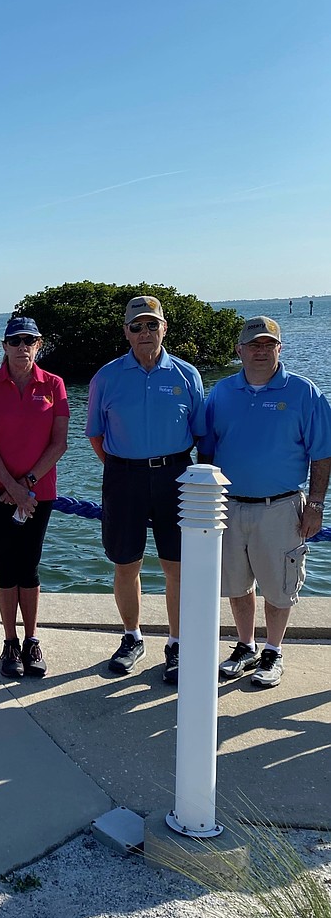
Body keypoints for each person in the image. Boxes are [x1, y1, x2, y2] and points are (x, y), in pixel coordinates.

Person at [198, 316, 331, 688]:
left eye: (268, 344)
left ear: (279, 349)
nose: (260, 351)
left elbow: (322, 453)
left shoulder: (304, 392)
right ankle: (245, 646)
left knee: (279, 587)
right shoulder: (221, 392)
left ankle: (273, 651)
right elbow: (206, 451)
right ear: (239, 350)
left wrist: (317, 504)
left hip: (282, 506)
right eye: (253, 344)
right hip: (229, 507)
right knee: (237, 586)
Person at [86, 295, 205, 684]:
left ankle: (176, 643)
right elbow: (96, 435)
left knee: (177, 565)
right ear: (126, 331)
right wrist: (125, 468)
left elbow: (202, 435)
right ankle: (132, 637)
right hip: (124, 476)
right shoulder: (106, 377)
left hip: (177, 476)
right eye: (136, 326)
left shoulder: (187, 375)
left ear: (164, 328)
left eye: (152, 324)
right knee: (126, 563)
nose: (144, 332)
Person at [0, 317, 69, 679]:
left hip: (38, 493)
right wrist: (13, 489)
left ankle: (31, 639)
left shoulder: (54, 385)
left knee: (29, 566)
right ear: (4, 346)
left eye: (29, 340)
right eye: (15, 341)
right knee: (4, 565)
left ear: (38, 344)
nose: (22, 347)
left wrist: (27, 485)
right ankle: (9, 642)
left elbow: (59, 443)